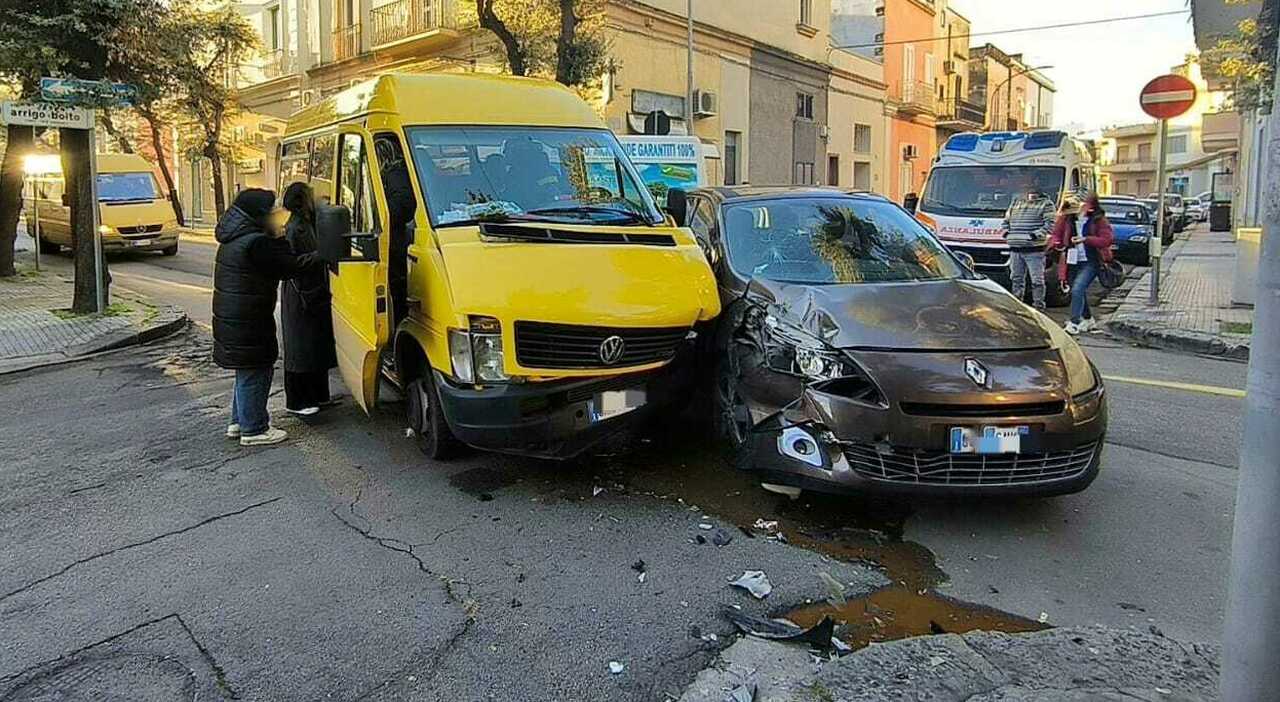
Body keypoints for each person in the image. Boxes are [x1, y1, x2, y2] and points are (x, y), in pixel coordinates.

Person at [212, 188, 322, 446]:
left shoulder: (235, 236)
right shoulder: (257, 242)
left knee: (246, 370)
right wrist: (320, 255)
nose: (277, 214)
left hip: (234, 316)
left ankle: (239, 421)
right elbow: (290, 267)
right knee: (257, 369)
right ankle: (254, 429)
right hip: (248, 319)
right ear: (259, 214)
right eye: (271, 210)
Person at [279, 182, 337, 416]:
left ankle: (319, 395)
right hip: (300, 293)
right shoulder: (294, 227)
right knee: (301, 349)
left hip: (314, 290)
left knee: (316, 346)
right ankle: (299, 401)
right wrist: (319, 255)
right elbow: (290, 263)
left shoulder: (309, 223)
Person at [1059, 193, 1115, 335]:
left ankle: (1074, 322)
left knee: (1078, 288)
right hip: (1072, 260)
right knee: (1076, 290)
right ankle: (1088, 319)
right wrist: (1056, 243)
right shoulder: (1067, 218)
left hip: (1091, 260)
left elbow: (1107, 240)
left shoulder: (1098, 220)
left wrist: (1085, 239)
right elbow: (1056, 234)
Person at [1002, 189, 1056, 310]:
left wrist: (1035, 235)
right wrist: (1006, 233)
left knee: (1037, 280)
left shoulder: (1046, 204)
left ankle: (1038, 306)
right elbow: (1006, 221)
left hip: (1034, 250)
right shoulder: (1016, 203)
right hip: (1015, 249)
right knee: (1016, 279)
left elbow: (1050, 225)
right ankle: (1018, 306)